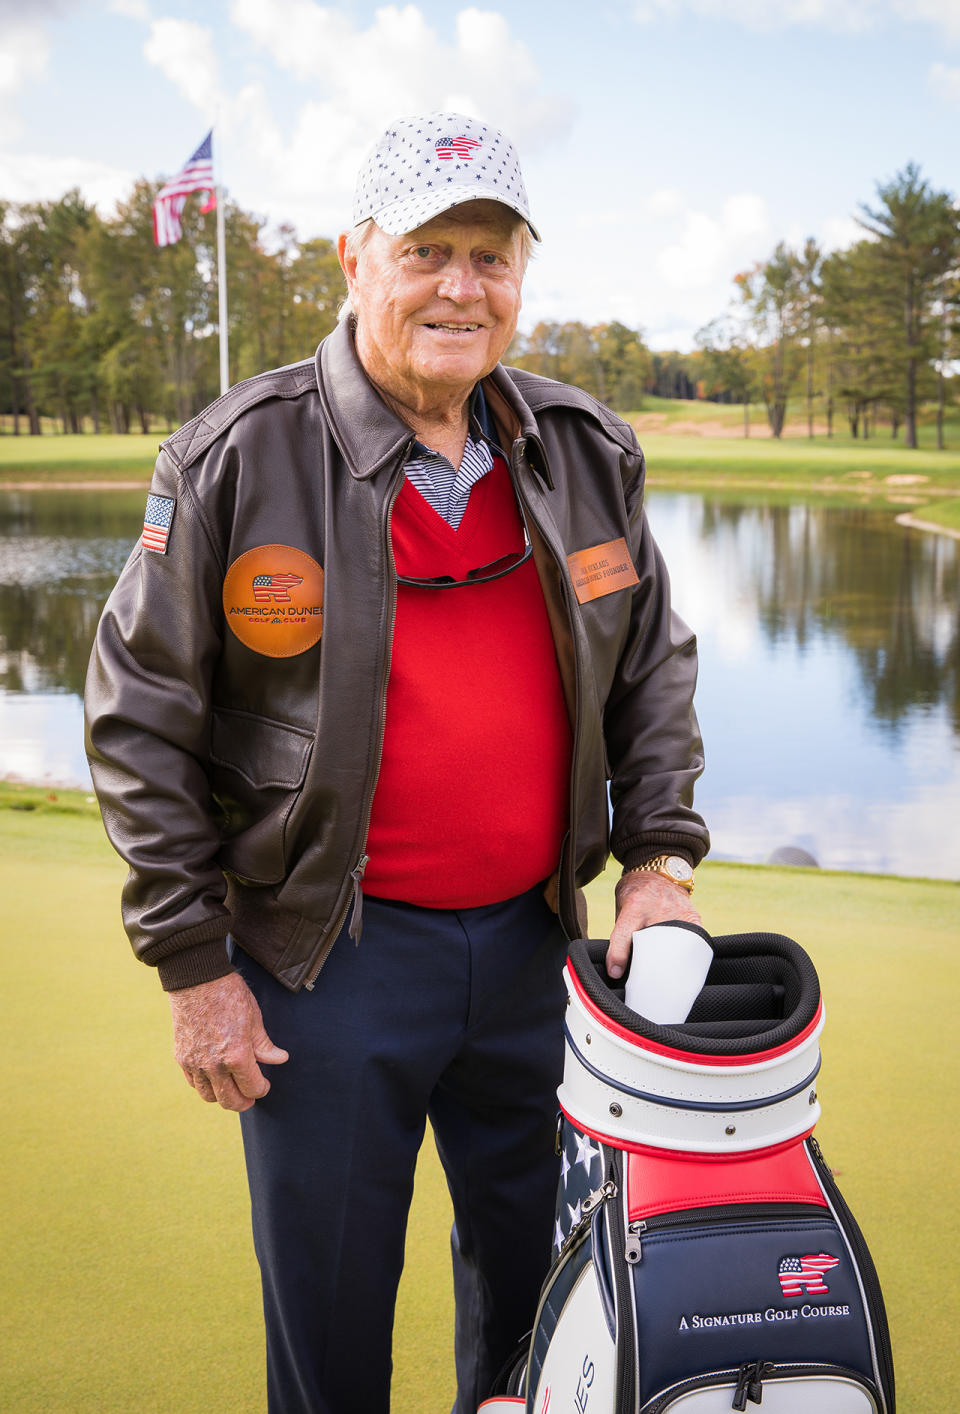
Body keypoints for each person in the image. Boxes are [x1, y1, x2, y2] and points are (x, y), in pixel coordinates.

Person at [84, 111, 709, 1414]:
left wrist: (657, 858)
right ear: (354, 258)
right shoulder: (231, 458)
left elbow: (652, 663)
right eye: (428, 250)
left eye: (490, 255)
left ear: (521, 278)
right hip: (329, 963)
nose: (460, 287)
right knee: (330, 1328)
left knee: (546, 1318)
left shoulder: (587, 450)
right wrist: (193, 965)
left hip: (543, 955)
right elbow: (139, 721)